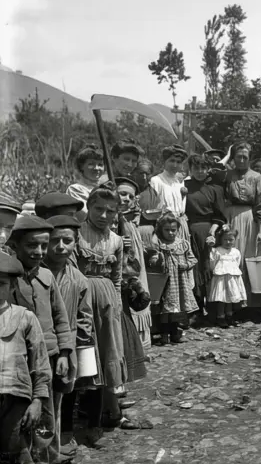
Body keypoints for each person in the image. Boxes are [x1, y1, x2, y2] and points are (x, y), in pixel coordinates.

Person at [6, 215, 73, 464]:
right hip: (21, 359)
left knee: (49, 409)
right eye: (32, 245)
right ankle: (27, 455)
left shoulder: (46, 276)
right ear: (15, 246)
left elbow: (60, 317)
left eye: (44, 245)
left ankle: (49, 455)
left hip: (50, 356)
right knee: (24, 411)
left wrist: (65, 352)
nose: (39, 251)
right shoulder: (9, 279)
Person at [75, 187, 127, 446]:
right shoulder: (76, 234)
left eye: (111, 211)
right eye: (98, 209)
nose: (104, 215)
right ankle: (89, 418)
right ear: (89, 206)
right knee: (88, 355)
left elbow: (117, 278)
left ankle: (111, 411)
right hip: (82, 299)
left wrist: (116, 304)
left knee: (109, 353)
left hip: (107, 304)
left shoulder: (116, 240)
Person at [44, 215, 93, 458]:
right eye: (55, 240)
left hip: (66, 348)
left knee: (60, 398)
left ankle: (54, 446)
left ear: (76, 243)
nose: (60, 246)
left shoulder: (78, 279)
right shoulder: (35, 273)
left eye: (67, 241)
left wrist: (77, 346)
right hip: (40, 346)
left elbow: (85, 317)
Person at [0, 252, 52, 464]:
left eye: (1, 284)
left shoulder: (24, 317)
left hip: (16, 400)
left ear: (12, 287)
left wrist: (38, 400)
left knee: (17, 452)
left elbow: (40, 363)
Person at [222, 142, 261, 317]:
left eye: (245, 157)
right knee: (231, 258)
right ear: (233, 158)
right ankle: (231, 304)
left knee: (248, 258)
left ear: (250, 158)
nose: (241, 160)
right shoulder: (227, 175)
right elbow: (214, 170)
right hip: (231, 217)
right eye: (238, 157)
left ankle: (249, 304)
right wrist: (227, 155)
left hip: (250, 218)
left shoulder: (258, 178)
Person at [184, 154, 227, 325]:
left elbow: (220, 215)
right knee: (194, 270)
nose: (200, 171)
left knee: (210, 269)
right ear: (190, 169)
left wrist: (213, 231)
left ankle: (215, 310)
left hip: (209, 232)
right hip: (189, 231)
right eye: (196, 168)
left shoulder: (215, 188)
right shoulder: (184, 186)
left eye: (203, 168)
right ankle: (195, 310)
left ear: (208, 169)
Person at [113, 177, 152, 349]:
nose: (126, 199)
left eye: (130, 196)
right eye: (122, 194)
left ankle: (140, 338)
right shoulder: (114, 219)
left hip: (134, 261)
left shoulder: (129, 218)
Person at [148, 212, 198, 345]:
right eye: (167, 230)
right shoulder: (158, 243)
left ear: (178, 229)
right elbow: (152, 260)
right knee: (164, 310)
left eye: (173, 230)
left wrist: (186, 265)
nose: (170, 233)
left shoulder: (183, 244)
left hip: (179, 282)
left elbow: (193, 259)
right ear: (161, 229)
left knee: (176, 310)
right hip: (165, 282)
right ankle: (164, 335)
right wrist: (157, 260)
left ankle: (175, 333)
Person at [206, 226, 247, 327]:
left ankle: (229, 316)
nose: (228, 242)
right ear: (220, 239)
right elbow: (212, 264)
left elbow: (237, 263)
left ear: (235, 239)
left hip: (232, 278)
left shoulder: (236, 252)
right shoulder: (216, 251)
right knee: (222, 299)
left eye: (231, 240)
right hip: (221, 279)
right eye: (225, 239)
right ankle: (221, 317)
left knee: (231, 298)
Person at [149, 145, 191, 242]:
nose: (175, 165)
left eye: (178, 162)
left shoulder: (180, 182)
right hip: (164, 226)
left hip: (179, 225)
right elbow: (152, 207)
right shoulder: (156, 180)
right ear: (164, 161)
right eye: (172, 161)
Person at [66, 144, 105, 217]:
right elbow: (85, 214)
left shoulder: (106, 187)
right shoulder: (75, 189)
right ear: (81, 166)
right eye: (91, 164)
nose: (96, 168)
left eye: (100, 165)